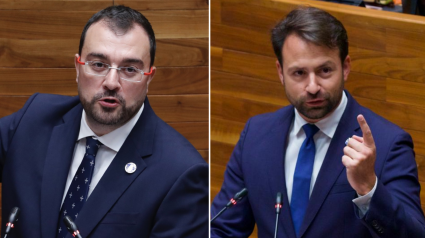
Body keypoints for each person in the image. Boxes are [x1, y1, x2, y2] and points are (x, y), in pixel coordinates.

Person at [211, 7, 425, 238]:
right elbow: (223, 227)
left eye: (324, 70)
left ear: (345, 67)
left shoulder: (388, 143)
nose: (312, 87)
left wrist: (368, 188)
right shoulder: (256, 134)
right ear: (281, 72)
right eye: (299, 73)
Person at [0, 5, 208, 238]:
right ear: (78, 67)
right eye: (98, 64)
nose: (111, 82)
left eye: (129, 69)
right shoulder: (34, 119)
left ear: (149, 78)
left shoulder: (181, 172)